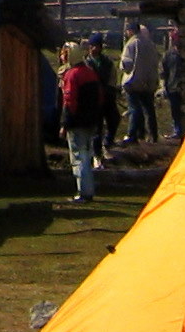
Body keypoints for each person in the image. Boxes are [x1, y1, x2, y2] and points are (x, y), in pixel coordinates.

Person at [57, 45, 109, 203]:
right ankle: (88, 189)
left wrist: (64, 124)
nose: (62, 57)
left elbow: (69, 101)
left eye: (64, 54)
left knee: (79, 157)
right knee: (87, 154)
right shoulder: (90, 73)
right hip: (91, 121)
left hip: (76, 122)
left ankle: (83, 192)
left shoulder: (71, 75)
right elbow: (100, 98)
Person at [116, 16, 160, 147]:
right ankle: (153, 134)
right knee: (149, 109)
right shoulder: (150, 44)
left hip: (134, 81)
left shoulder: (131, 44)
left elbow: (127, 64)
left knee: (134, 109)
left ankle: (132, 135)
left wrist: (121, 65)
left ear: (131, 31)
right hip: (149, 81)